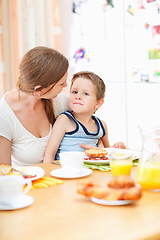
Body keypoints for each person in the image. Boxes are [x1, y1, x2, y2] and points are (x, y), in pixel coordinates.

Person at [0, 46, 69, 167]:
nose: (66, 85)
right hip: (26, 183)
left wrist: (100, 145)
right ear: (39, 90)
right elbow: (4, 173)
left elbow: (91, 125)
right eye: (61, 83)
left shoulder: (59, 101)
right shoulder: (4, 115)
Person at [44, 71, 126, 162]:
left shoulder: (102, 126)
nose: (78, 96)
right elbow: (49, 155)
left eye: (85, 93)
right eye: (74, 92)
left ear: (98, 103)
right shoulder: (65, 120)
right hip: (66, 171)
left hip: (92, 173)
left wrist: (117, 148)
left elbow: (107, 153)